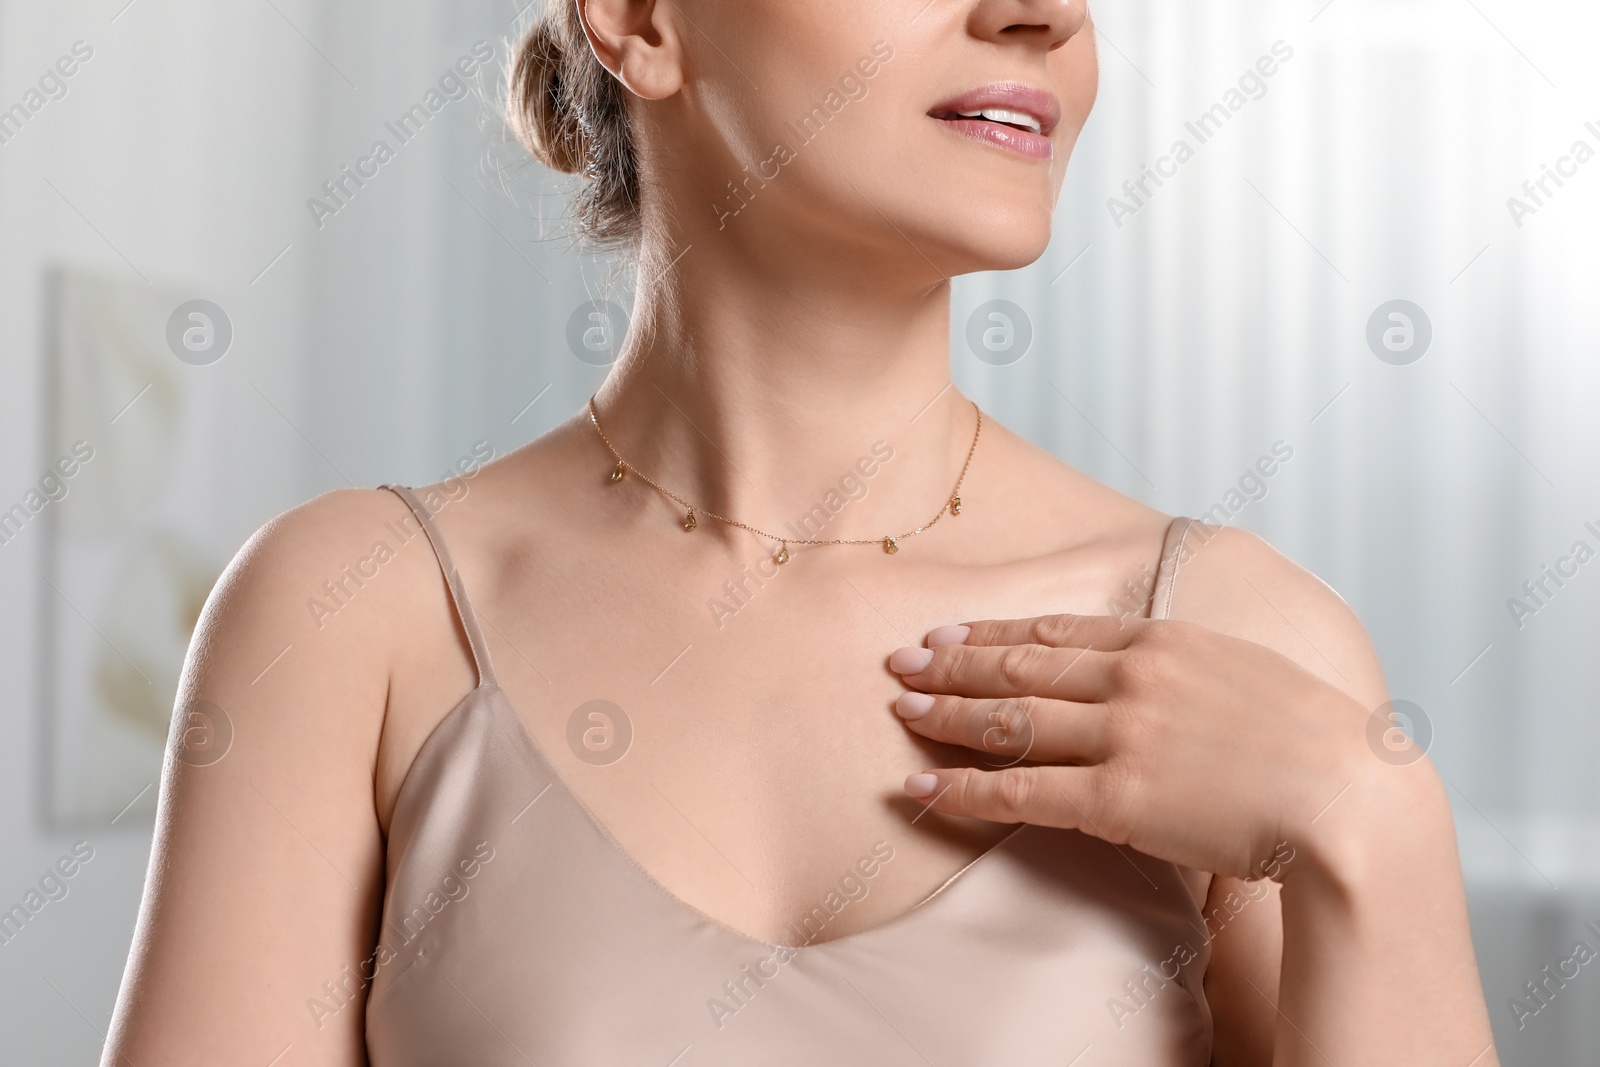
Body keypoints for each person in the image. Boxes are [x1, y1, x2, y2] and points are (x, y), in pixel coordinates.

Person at [103, 1, 1496, 1064]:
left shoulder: (1233, 635)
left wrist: (1372, 823)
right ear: (644, 21)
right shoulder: (354, 614)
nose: (1044, 13)